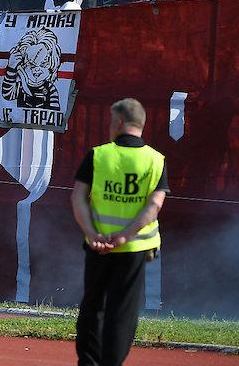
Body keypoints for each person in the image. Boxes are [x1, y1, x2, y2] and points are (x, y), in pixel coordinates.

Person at [72, 98, 168, 366]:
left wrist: (91, 232)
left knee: (93, 304)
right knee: (122, 311)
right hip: (135, 247)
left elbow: (78, 196)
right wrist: (126, 235)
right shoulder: (155, 159)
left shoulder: (98, 155)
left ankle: (88, 362)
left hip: (98, 244)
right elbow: (155, 205)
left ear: (119, 122)